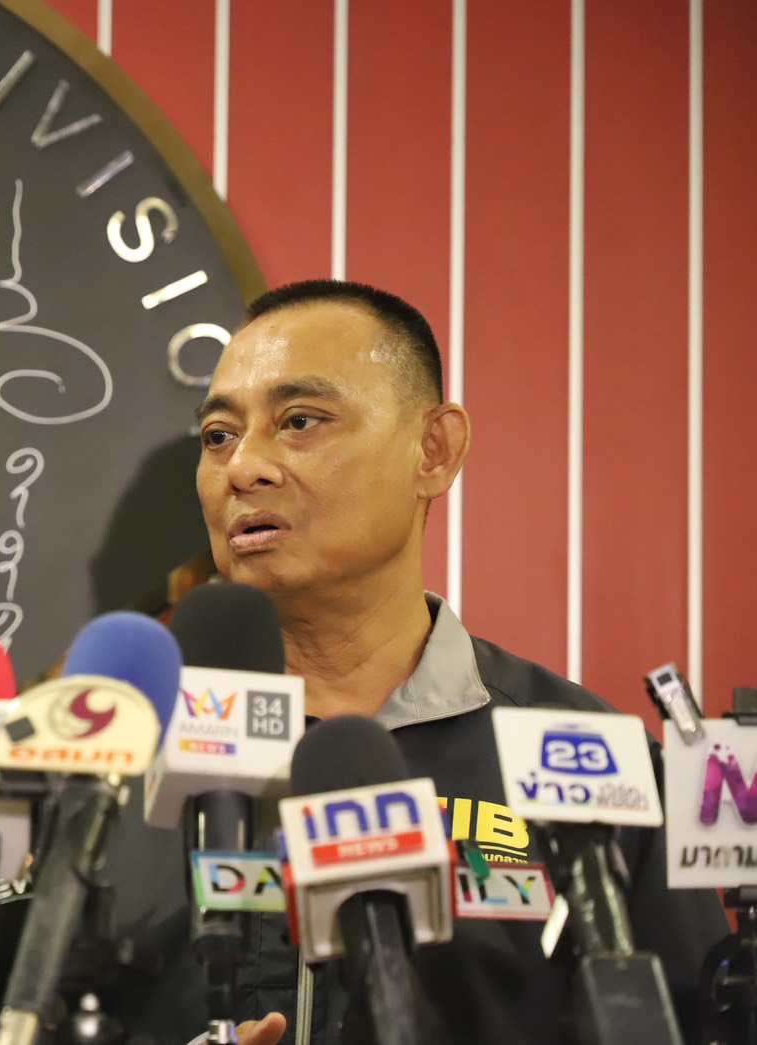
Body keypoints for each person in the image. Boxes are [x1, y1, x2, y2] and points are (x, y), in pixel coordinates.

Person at [184, 279, 726, 1045]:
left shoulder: (596, 762)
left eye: (299, 420)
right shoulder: (121, 764)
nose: (243, 467)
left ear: (433, 450)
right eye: (217, 435)